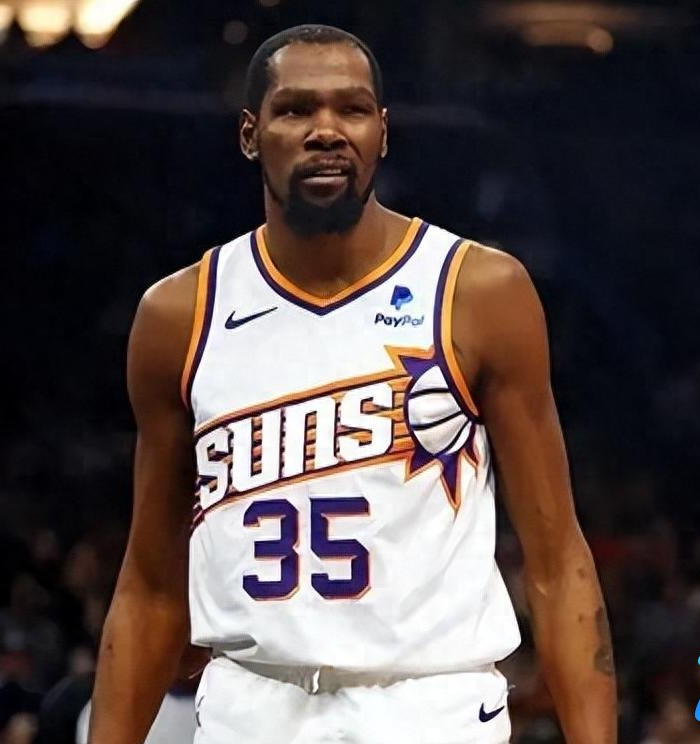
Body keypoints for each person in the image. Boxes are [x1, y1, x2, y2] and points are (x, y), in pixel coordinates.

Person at [90, 24, 617, 744]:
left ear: (383, 133)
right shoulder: (179, 316)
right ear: (250, 135)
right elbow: (151, 587)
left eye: (353, 109)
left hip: (432, 706)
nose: (326, 131)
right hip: (252, 706)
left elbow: (557, 563)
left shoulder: (478, 291)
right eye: (295, 109)